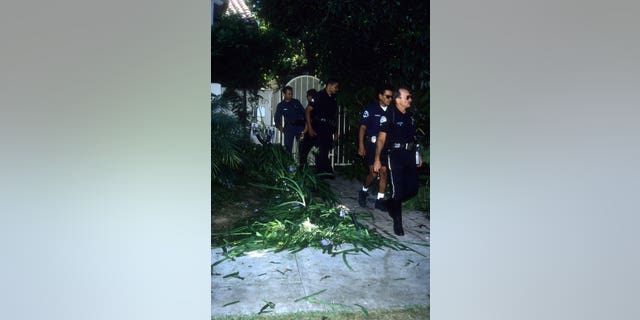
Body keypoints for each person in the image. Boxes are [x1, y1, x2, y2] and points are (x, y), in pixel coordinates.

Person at [373, 88, 423, 236]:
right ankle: (397, 222)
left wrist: (418, 155)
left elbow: (414, 137)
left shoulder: (410, 117)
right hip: (395, 156)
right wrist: (377, 159)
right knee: (398, 190)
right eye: (408, 97)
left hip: (409, 155)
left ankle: (389, 204)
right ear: (398, 99)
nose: (410, 100)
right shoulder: (390, 114)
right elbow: (381, 139)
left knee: (413, 189)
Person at [357, 85, 394, 211]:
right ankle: (363, 191)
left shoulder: (392, 112)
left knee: (384, 172)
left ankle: (379, 200)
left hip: (385, 146)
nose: (390, 99)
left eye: (391, 97)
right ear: (380, 96)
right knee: (373, 173)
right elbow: (363, 127)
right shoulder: (371, 109)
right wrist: (361, 144)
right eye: (387, 96)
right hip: (371, 144)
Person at [305, 79, 340, 178]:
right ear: (329, 85)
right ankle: (322, 173)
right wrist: (310, 128)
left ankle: (325, 172)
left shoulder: (333, 98)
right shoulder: (318, 96)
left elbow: (333, 117)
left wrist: (336, 131)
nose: (337, 89)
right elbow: (308, 111)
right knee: (319, 151)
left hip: (328, 128)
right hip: (318, 127)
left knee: (325, 150)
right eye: (335, 87)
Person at [273, 86, 306, 154]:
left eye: (291, 93)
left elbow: (304, 114)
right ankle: (289, 163)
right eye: (289, 94)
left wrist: (304, 128)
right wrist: (281, 128)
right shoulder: (281, 105)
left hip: (299, 126)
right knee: (287, 148)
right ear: (284, 94)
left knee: (302, 147)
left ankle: (302, 164)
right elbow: (277, 119)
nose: (290, 95)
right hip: (289, 127)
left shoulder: (296, 102)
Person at [298, 88, 317, 166]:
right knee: (316, 152)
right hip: (317, 131)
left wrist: (303, 132)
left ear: (310, 96)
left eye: (307, 96)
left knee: (303, 152)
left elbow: (308, 121)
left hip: (310, 133)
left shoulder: (310, 106)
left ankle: (303, 170)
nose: (306, 97)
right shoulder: (318, 105)